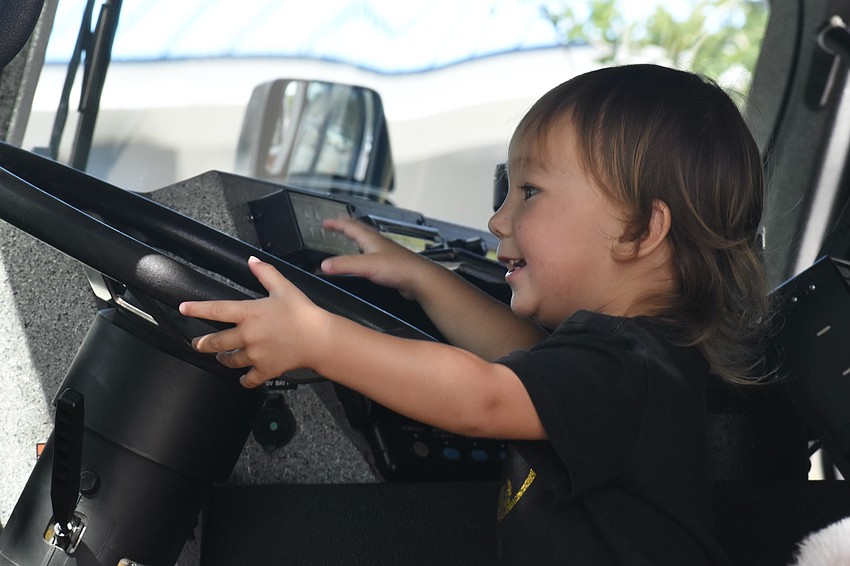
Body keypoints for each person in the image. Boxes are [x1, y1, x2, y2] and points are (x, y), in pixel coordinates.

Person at [179, 63, 767, 565]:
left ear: (641, 229)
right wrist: (421, 277)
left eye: (529, 191)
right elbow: (517, 352)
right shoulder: (630, 360)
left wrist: (323, 341)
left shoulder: (629, 367)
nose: (497, 220)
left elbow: (483, 396)